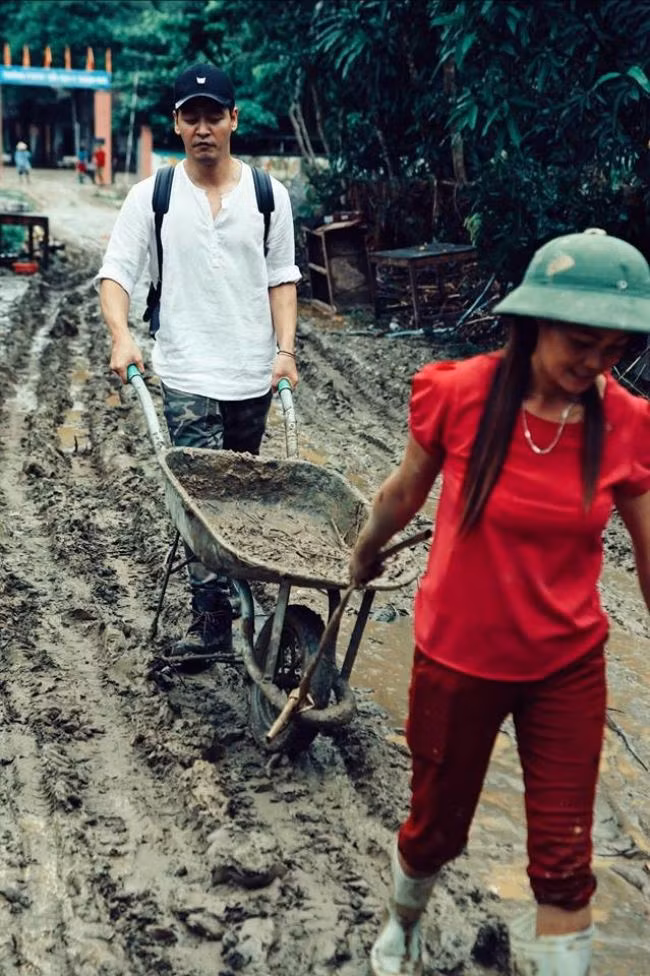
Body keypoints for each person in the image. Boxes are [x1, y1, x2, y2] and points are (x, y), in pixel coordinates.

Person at [350, 229, 650, 976]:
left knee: (564, 863)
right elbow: (403, 493)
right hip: (458, 658)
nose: (596, 364)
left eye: (614, 349)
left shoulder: (628, 424)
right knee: (435, 830)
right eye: (581, 343)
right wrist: (363, 550)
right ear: (533, 322)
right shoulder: (461, 394)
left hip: (566, 667)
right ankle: (403, 923)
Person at [97, 62, 300, 671]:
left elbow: (282, 279)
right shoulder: (152, 196)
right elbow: (116, 274)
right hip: (185, 371)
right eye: (192, 117)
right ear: (177, 123)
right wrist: (122, 336)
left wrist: (285, 351)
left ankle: (235, 592)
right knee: (198, 500)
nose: (204, 128)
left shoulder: (268, 196)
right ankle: (211, 620)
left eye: (215, 116)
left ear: (234, 119)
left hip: (251, 374)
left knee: (238, 500)